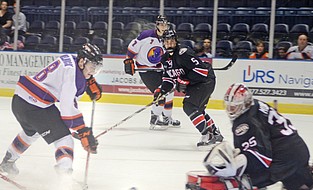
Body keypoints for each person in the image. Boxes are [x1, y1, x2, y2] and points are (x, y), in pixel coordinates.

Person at [181, 83, 313, 190]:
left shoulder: (246, 121)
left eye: (234, 107)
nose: (231, 111)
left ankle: (311, 180)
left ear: (245, 103)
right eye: (229, 107)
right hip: (296, 150)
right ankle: (308, 177)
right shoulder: (255, 105)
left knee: (252, 179)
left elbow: (261, 157)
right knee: (293, 184)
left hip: (285, 157)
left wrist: (238, 167)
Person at [0, 43, 103, 180]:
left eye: (96, 69)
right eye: (92, 67)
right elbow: (67, 110)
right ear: (83, 62)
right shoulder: (74, 75)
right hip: (35, 106)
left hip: (19, 101)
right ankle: (64, 177)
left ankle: (7, 162)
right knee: (64, 138)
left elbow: (66, 88)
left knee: (31, 132)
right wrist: (82, 130)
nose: (93, 72)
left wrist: (88, 81)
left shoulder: (70, 60)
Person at [154, 29, 223, 147]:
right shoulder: (164, 59)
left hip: (205, 80)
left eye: (172, 41)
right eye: (167, 41)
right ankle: (215, 133)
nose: (169, 43)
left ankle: (207, 134)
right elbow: (168, 78)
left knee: (189, 106)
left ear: (176, 41)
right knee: (198, 110)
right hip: (195, 84)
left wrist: (184, 80)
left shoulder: (183, 53)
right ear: (163, 43)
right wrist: (162, 90)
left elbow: (201, 71)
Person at [124, 15, 180, 129]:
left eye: (165, 24)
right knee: (160, 92)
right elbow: (132, 47)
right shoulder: (146, 35)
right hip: (146, 70)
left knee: (169, 93)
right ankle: (154, 118)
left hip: (160, 69)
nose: (164, 26)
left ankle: (167, 118)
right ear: (157, 25)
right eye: (161, 24)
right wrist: (128, 60)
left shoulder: (168, 38)